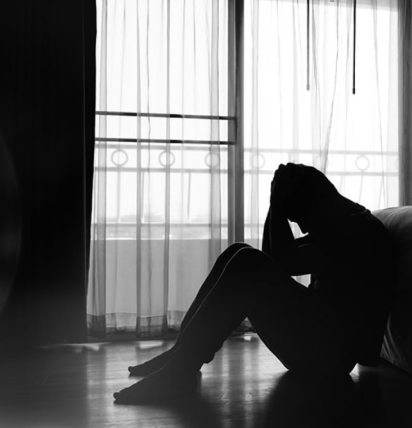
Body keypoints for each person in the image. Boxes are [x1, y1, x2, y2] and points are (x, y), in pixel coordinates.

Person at [113, 163, 394, 404]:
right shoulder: (346, 223)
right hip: (319, 345)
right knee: (239, 252)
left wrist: (277, 203)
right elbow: (273, 258)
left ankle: (180, 370)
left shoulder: (358, 232)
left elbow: (281, 262)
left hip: (327, 359)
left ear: (315, 203)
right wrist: (277, 204)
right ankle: (181, 355)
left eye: (299, 218)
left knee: (247, 260)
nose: (302, 227)